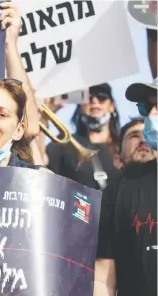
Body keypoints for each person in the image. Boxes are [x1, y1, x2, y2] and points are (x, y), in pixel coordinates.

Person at [94, 78, 157, 296]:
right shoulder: (112, 196)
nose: (152, 114)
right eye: (146, 107)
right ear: (117, 158)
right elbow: (103, 278)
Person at [44, 83, 121, 190]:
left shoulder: (126, 145)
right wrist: (44, 118)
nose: (94, 101)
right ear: (80, 107)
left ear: (112, 106)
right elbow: (40, 166)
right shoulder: (65, 144)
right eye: (88, 98)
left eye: (101, 97)